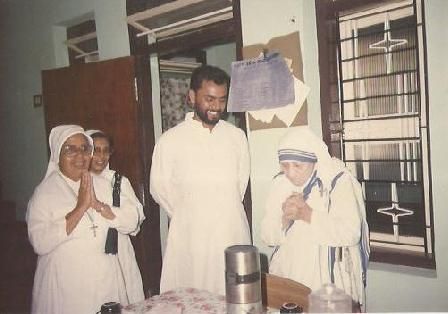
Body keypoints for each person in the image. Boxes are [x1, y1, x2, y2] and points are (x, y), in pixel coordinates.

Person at [150, 64, 251, 295]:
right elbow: (159, 189)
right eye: (209, 99)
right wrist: (191, 213)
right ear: (192, 96)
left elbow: (240, 185)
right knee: (192, 296)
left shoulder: (236, 137)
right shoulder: (170, 141)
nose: (216, 107)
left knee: (236, 298)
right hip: (190, 235)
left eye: (222, 100)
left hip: (230, 229)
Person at [26, 125, 141, 314]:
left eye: (84, 149)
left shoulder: (100, 182)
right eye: (70, 149)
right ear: (57, 154)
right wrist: (80, 208)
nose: (80, 156)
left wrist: (100, 207)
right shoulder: (45, 193)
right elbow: (40, 242)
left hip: (105, 281)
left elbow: (131, 222)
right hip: (67, 287)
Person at [261, 126, 370, 308]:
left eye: (298, 165)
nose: (291, 173)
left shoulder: (338, 182)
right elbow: (267, 236)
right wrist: (284, 220)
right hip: (288, 277)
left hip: (328, 281)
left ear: (314, 161)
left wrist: (307, 214)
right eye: (285, 165)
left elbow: (351, 233)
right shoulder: (280, 184)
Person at [86, 129, 146, 304]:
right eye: (96, 150)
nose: (101, 156)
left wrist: (105, 211)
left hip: (119, 251)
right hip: (90, 253)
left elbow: (133, 219)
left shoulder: (118, 181)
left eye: (106, 151)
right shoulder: (78, 182)